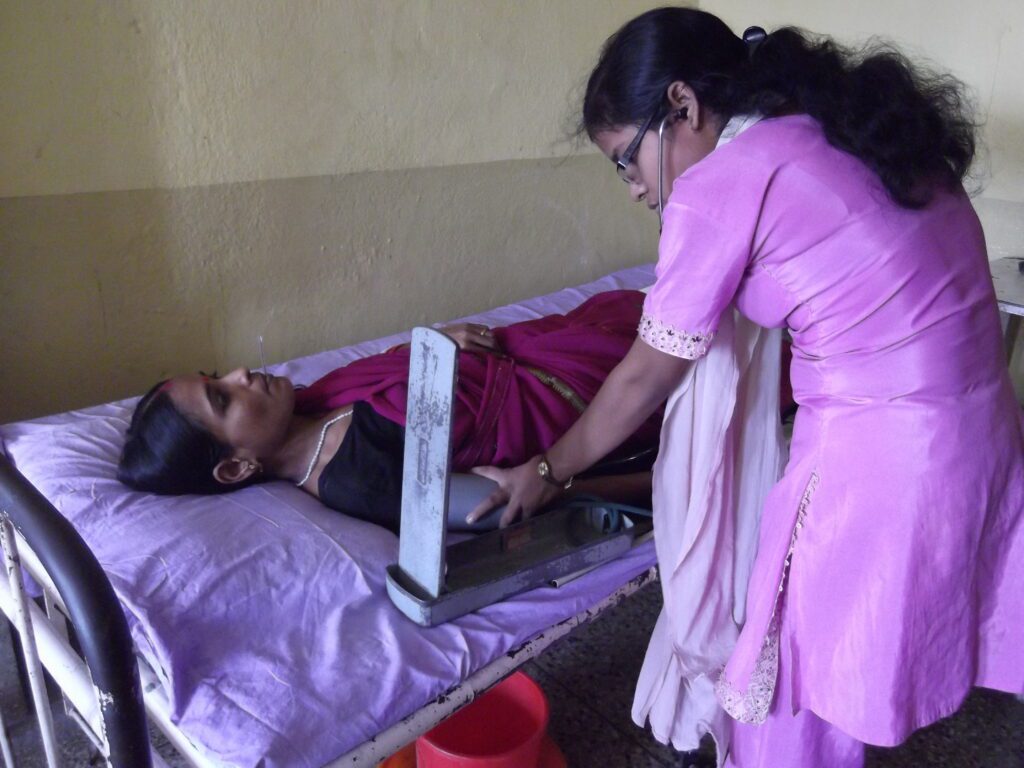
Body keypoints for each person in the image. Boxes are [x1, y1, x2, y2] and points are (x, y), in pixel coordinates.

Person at [468, 7, 1024, 767]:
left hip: (880, 464)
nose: (633, 189)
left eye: (626, 161)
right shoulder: (852, 127)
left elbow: (643, 373)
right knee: (873, 649)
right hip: (985, 431)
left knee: (792, 687)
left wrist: (546, 470)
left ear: (683, 107)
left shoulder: (726, 182)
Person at [117, 289, 660, 532]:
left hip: (555, 346)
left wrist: (433, 345)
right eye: (222, 398)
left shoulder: (313, 402)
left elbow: (394, 375)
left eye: (217, 376)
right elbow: (519, 499)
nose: (239, 375)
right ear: (236, 466)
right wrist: (653, 483)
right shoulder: (359, 478)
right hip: (590, 401)